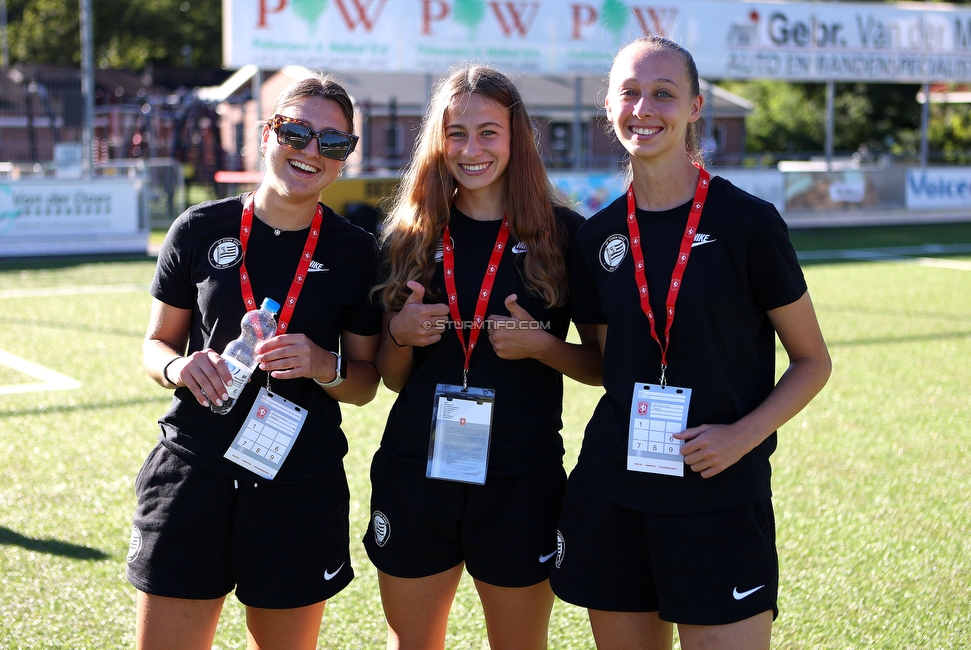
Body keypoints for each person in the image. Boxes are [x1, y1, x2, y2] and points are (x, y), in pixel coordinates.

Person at [550, 36, 832, 650]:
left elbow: (813, 361)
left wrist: (740, 437)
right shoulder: (596, 238)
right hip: (612, 490)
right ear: (608, 106)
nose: (643, 107)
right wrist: (536, 346)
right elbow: (607, 364)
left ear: (697, 107)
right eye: (629, 92)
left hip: (719, 490)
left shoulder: (748, 224)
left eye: (663, 93)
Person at [128, 75, 381, 650]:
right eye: (296, 131)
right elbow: (155, 344)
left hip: (297, 478)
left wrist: (323, 363)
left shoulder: (355, 251)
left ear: (345, 156)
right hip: (193, 468)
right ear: (268, 134)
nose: (311, 150)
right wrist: (178, 368)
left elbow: (365, 382)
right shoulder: (200, 228)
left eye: (333, 142)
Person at [363, 65, 602, 650]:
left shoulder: (566, 235)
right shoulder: (406, 235)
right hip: (418, 467)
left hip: (522, 473)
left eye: (489, 132)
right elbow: (394, 381)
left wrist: (543, 347)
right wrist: (399, 333)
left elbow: (603, 367)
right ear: (437, 140)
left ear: (517, 137)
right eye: (457, 132)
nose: (472, 150)